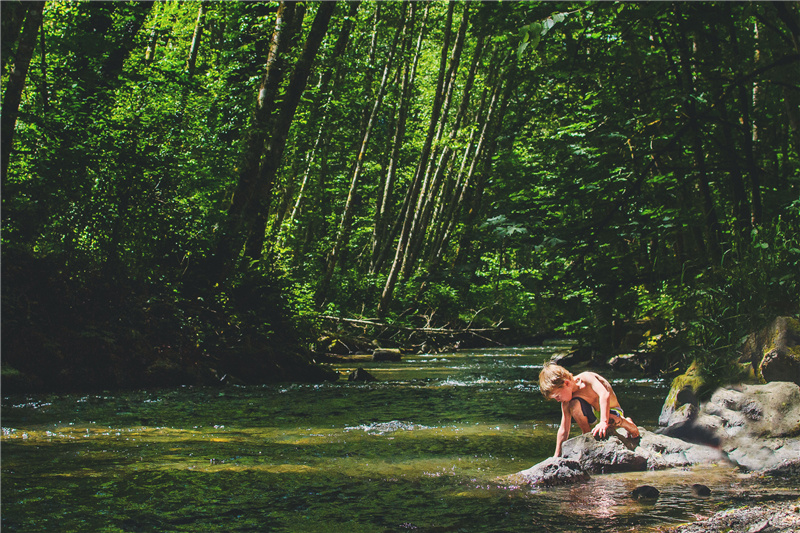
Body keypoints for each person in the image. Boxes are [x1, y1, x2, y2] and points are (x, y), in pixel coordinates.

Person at [539, 363, 640, 457]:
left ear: (566, 383)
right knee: (574, 405)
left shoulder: (587, 378)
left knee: (610, 418)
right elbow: (564, 429)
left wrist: (603, 422)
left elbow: (604, 394)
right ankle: (587, 435)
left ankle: (628, 424)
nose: (557, 400)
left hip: (611, 412)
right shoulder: (566, 402)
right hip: (595, 419)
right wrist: (557, 455)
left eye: (557, 396)